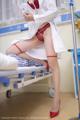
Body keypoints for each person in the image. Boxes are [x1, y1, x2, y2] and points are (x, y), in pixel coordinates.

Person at [4, 0, 66, 118]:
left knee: (54, 66)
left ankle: (57, 100)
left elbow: (53, 11)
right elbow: (29, 19)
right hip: (35, 33)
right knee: (10, 50)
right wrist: (28, 18)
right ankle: (42, 62)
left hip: (47, 29)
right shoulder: (23, 2)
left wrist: (34, 17)